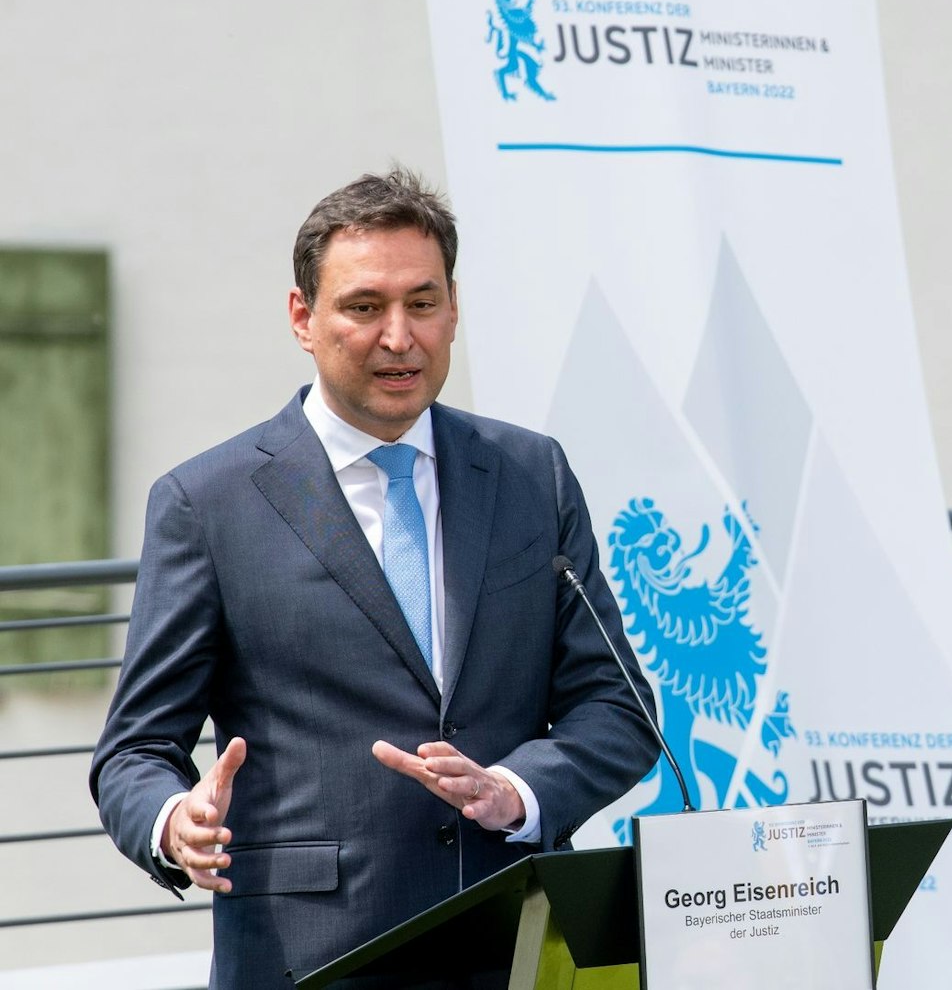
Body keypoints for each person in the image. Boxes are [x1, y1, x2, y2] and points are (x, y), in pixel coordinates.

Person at [91, 167, 660, 987]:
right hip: (312, 959)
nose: (400, 336)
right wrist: (177, 819)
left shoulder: (531, 475)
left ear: (454, 310)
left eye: (422, 304)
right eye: (364, 307)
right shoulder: (206, 504)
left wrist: (515, 789)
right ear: (302, 317)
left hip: (515, 949)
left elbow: (618, 709)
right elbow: (136, 750)